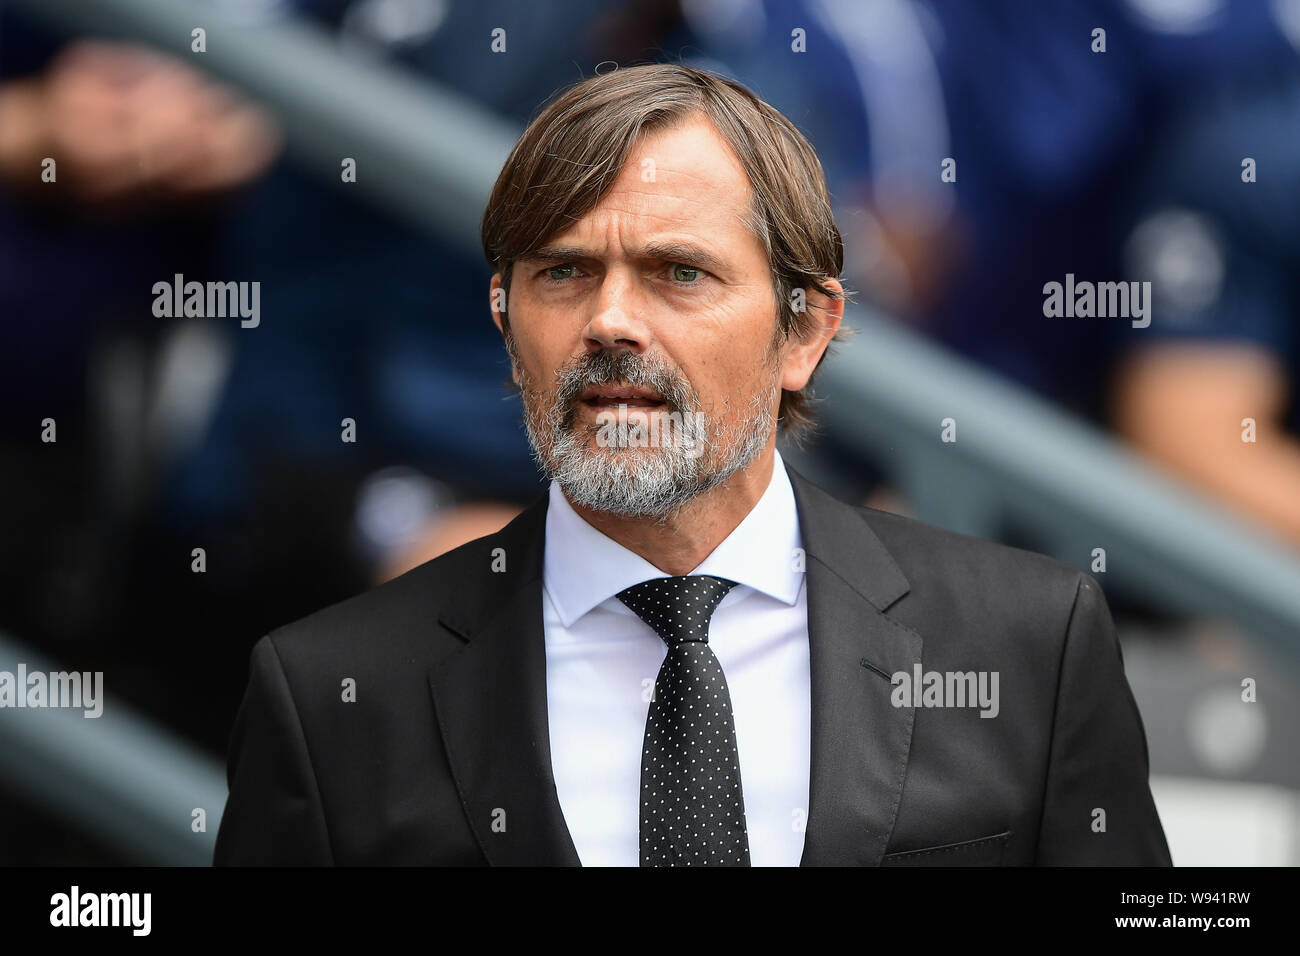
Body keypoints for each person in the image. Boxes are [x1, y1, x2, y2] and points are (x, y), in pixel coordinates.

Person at [214, 63, 1171, 866]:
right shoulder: (331, 693)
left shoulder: (1025, 643)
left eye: (680, 272)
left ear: (806, 333)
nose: (610, 321)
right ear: (508, 332)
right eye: (562, 272)